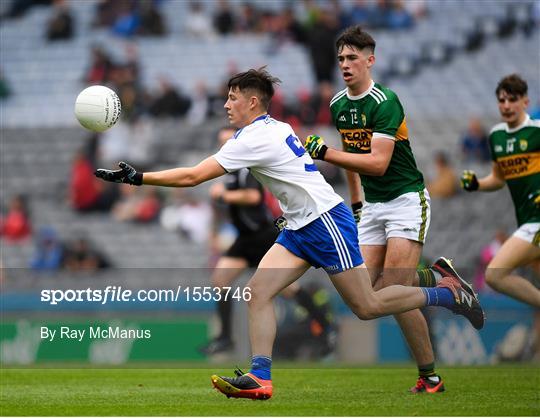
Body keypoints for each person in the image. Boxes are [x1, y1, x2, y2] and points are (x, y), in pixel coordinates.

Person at [95, 67, 484, 400]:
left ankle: (446, 292)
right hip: (299, 226)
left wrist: (139, 177)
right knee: (259, 292)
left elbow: (195, 175)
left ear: (252, 103)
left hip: (324, 221)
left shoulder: (253, 138)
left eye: (232, 98)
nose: (227, 105)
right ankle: (260, 377)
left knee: (367, 306)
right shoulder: (275, 126)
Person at [303, 26, 472, 393]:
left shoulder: (385, 100)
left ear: (370, 60)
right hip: (374, 206)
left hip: (406, 201)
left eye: (352, 58)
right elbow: (352, 159)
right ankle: (438, 286)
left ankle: (433, 356)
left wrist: (324, 154)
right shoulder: (338, 105)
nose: (345, 65)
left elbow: (378, 163)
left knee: (391, 292)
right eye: (341, 59)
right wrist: (357, 204)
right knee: (364, 298)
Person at [200, 127, 335, 356]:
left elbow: (253, 197)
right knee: (220, 279)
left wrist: (223, 195)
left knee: (289, 290)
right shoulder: (231, 174)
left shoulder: (247, 170)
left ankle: (324, 327)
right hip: (244, 239)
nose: (224, 147)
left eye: (228, 141)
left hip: (262, 237)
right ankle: (225, 337)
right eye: (221, 142)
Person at [460, 74, 540, 308]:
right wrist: (477, 184)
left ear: (525, 102)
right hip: (526, 220)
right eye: (502, 100)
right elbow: (498, 178)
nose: (506, 105)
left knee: (495, 274)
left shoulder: (536, 131)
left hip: (537, 221)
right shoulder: (497, 136)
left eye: (512, 99)